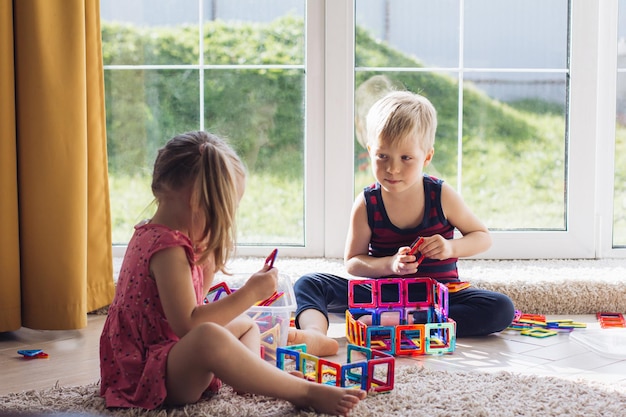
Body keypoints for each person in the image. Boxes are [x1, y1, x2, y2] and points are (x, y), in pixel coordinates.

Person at [99, 131, 366, 415]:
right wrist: (250, 293)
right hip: (146, 373)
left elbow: (193, 305)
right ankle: (303, 392)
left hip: (160, 353)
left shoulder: (152, 232)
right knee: (210, 338)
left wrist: (206, 265)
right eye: (223, 212)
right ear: (198, 203)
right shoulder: (168, 250)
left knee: (246, 324)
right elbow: (190, 325)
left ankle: (254, 378)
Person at [288, 91, 516, 357]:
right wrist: (389, 264)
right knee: (309, 283)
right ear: (370, 151)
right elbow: (353, 261)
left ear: (426, 158)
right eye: (382, 156)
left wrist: (449, 247)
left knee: (501, 308)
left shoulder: (441, 195)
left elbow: (482, 237)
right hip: (380, 297)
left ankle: (403, 323)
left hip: (437, 298)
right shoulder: (367, 202)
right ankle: (315, 335)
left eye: (406, 158)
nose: (392, 169)